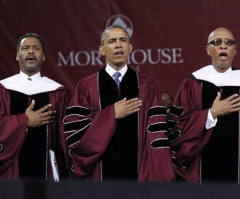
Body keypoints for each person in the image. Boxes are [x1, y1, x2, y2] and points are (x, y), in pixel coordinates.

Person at [63, 25, 174, 181]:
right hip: (99, 175)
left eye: (123, 40)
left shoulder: (146, 85)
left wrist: (155, 177)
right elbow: (75, 133)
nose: (118, 45)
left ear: (130, 48)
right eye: (112, 41)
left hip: (139, 177)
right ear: (102, 49)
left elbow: (157, 134)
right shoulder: (86, 86)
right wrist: (112, 114)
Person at [168, 27, 240, 183]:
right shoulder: (193, 83)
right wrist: (210, 114)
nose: (223, 46)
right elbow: (176, 129)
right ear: (208, 50)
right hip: (200, 172)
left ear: (234, 50)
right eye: (217, 42)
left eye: (228, 42)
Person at [0, 33, 70, 181]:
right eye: (26, 48)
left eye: (36, 48)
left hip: (47, 170)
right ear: (18, 56)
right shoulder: (3, 89)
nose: (31, 51)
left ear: (43, 56)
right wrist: (24, 121)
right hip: (11, 170)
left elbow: (64, 138)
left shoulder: (57, 91)